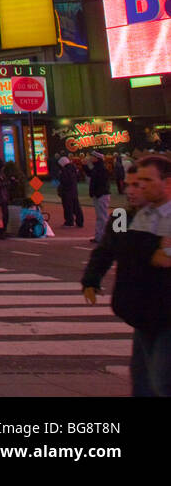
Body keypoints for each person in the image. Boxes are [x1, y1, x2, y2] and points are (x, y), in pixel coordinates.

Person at [83, 157, 171, 396]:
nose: (132, 190)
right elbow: (112, 248)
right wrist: (92, 278)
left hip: (160, 311)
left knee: (159, 381)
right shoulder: (126, 216)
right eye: (130, 184)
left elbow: (161, 258)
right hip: (142, 311)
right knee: (144, 380)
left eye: (140, 183)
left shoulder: (156, 215)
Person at [90, 155, 112, 245]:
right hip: (99, 194)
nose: (91, 158)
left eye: (93, 157)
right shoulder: (98, 168)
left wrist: (97, 192)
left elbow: (100, 182)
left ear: (97, 158)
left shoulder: (101, 169)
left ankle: (103, 237)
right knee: (101, 216)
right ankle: (99, 236)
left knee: (102, 217)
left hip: (101, 195)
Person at [57, 155, 84, 228]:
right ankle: (80, 221)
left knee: (68, 207)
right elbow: (77, 178)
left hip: (66, 192)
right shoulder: (74, 169)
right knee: (76, 207)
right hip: (74, 191)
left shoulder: (64, 170)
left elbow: (64, 181)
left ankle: (69, 222)